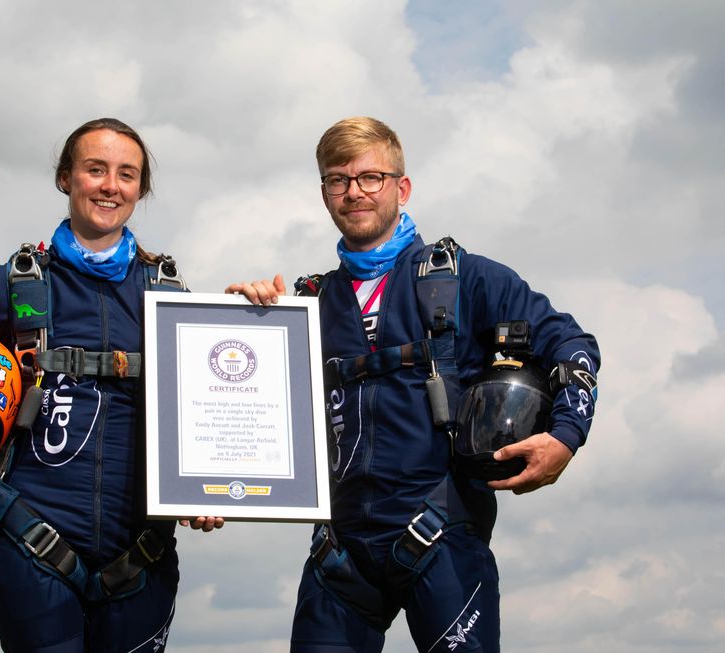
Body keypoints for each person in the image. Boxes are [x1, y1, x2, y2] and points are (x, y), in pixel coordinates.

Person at [228, 116, 600, 652]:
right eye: (338, 180)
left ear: (401, 187)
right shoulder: (306, 303)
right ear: (325, 193)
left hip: (442, 536)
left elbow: (571, 344)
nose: (354, 191)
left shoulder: (464, 278)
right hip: (341, 553)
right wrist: (247, 318)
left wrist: (567, 435)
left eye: (370, 177)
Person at [0, 118, 222, 652]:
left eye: (126, 174)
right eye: (95, 169)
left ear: (140, 190)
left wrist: (208, 486)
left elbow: (208, 401)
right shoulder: (17, 283)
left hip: (140, 554)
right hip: (33, 543)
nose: (110, 185)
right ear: (66, 178)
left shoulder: (168, 293)